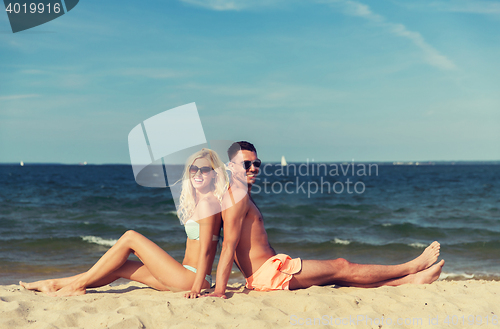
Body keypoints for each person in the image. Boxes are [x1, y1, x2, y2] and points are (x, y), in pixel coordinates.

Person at [206, 141, 445, 298]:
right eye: (246, 164)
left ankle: (411, 280)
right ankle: (410, 267)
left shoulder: (240, 194)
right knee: (342, 266)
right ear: (230, 166)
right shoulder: (236, 197)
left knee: (338, 277)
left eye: (256, 163)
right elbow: (228, 246)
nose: (253, 168)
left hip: (271, 271)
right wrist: (219, 290)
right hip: (269, 275)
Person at [20, 148, 227, 298]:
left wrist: (195, 288)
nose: (198, 173)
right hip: (185, 276)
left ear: (214, 173)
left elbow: (206, 252)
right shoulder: (203, 201)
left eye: (205, 169)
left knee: (130, 237)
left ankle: (77, 286)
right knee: (121, 267)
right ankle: (53, 283)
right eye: (194, 169)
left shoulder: (208, 204)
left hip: (190, 280)